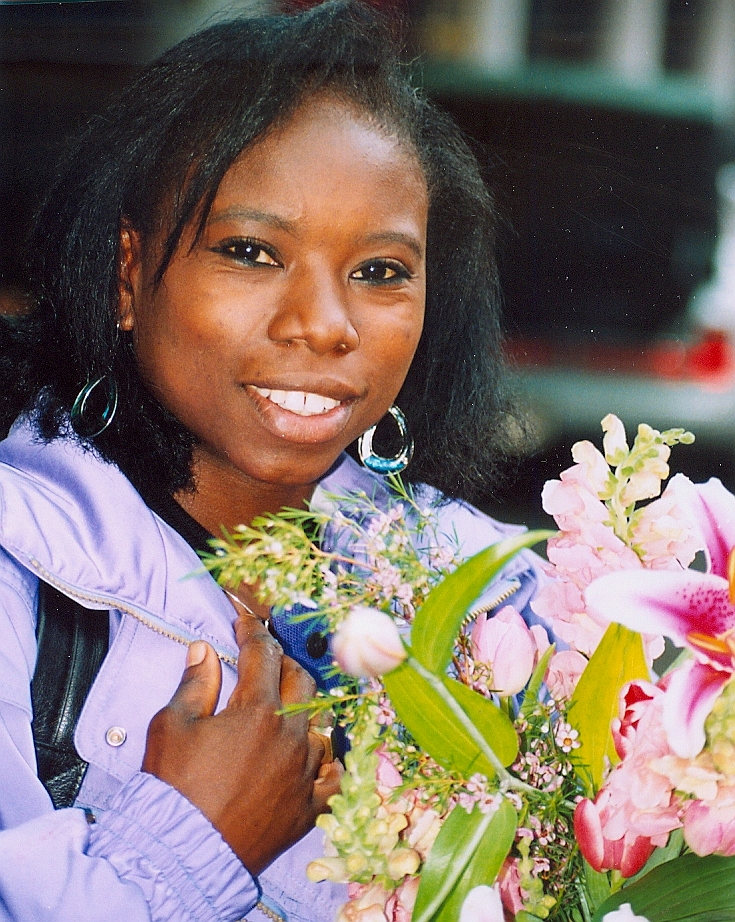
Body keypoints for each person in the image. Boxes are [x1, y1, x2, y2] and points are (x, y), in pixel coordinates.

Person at [0, 3, 546, 920]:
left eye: (380, 271)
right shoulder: (21, 565)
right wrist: (184, 846)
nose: (326, 325)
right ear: (128, 277)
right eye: (252, 252)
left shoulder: (499, 596)